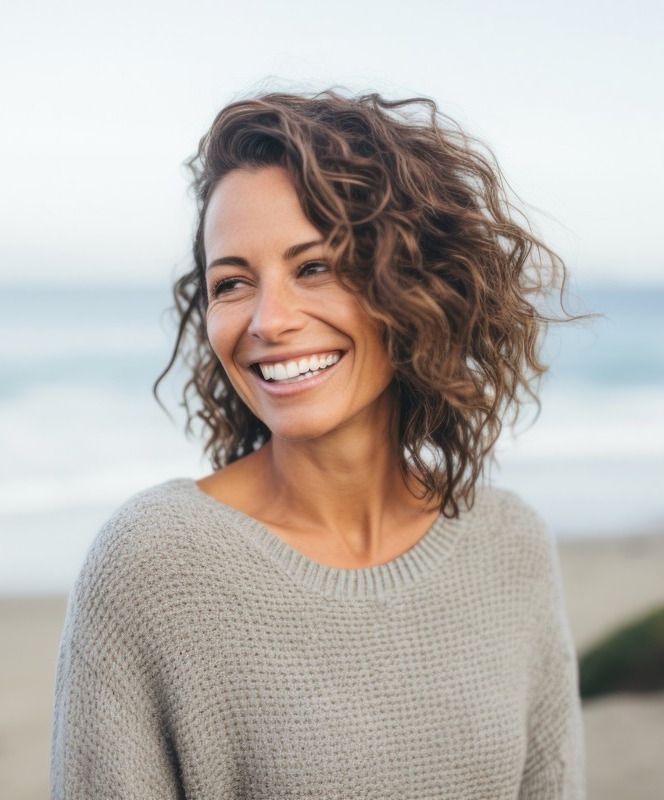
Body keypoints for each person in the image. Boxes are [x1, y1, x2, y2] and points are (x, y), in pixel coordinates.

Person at [51, 90, 585, 798]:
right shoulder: (153, 567)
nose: (269, 320)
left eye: (314, 267)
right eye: (233, 283)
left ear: (416, 281)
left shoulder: (511, 544)